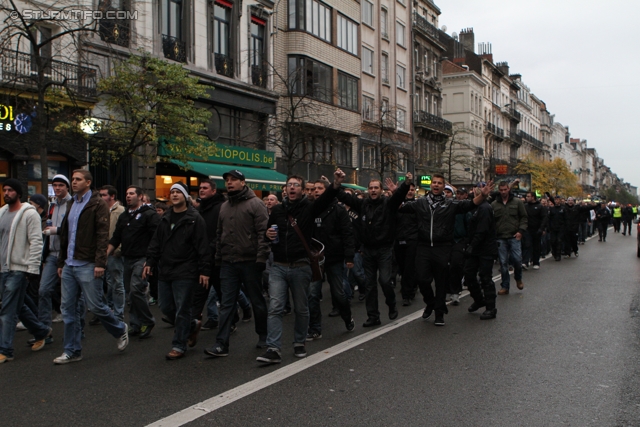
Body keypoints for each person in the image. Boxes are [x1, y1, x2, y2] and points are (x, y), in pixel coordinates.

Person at [257, 171, 341, 364]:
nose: (292, 187)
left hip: (301, 266)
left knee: (301, 308)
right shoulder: (277, 210)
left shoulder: (309, 209)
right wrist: (267, 235)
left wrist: (335, 184)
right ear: (285, 189)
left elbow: (326, 199)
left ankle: (299, 342)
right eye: (289, 185)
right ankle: (273, 348)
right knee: (276, 306)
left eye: (296, 185)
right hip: (278, 265)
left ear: (303, 191)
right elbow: (267, 234)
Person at [54, 170, 129, 364]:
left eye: (78, 179)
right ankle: (72, 350)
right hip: (70, 264)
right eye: (73, 179)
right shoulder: (72, 203)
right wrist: (62, 262)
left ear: (88, 182)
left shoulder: (97, 204)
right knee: (68, 309)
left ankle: (120, 328)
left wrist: (100, 263)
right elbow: (66, 236)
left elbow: (102, 235)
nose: (74, 182)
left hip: (87, 263)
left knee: (96, 305)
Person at [397, 175, 493, 325]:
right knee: (422, 279)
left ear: (443, 187)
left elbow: (470, 205)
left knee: (441, 281)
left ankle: (439, 313)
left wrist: (483, 195)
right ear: (430, 185)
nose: (436, 185)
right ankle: (430, 302)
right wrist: (397, 192)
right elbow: (398, 207)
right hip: (423, 246)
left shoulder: (450, 204)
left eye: (439, 183)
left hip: (442, 247)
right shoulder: (420, 203)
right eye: (434, 183)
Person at [204, 170, 270, 357]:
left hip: (250, 261)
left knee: (257, 300)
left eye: (234, 180)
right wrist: (218, 258)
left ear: (243, 182)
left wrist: (261, 258)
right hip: (228, 262)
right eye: (227, 180)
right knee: (226, 303)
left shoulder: (255, 204)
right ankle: (221, 344)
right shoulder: (224, 206)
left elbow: (263, 233)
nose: (230, 183)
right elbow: (219, 234)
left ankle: (263, 336)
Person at [335, 174, 412, 328]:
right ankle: (373, 316)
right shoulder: (362, 204)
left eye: (376, 187)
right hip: (368, 250)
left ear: (381, 190)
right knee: (370, 285)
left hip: (384, 249)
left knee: (384, 280)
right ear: (368, 190)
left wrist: (406, 184)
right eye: (371, 188)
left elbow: (399, 197)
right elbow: (345, 198)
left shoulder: (388, 204)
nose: (373, 190)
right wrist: (336, 184)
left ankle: (391, 304)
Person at [144, 182, 210, 360]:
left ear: (185, 196)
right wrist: (150, 261)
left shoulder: (195, 219)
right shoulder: (165, 218)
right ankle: (191, 325)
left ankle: (179, 345)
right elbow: (156, 242)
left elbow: (203, 247)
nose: (174, 195)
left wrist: (204, 271)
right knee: (165, 306)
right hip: (165, 269)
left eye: (178, 192)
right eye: (172, 192)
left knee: (182, 308)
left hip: (186, 270)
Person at [0, 179, 50, 363]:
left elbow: (36, 242)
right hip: (3, 268)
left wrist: (32, 268)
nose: (6, 193)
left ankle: (5, 350)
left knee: (7, 310)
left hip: (19, 268)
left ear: (18, 193)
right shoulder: (2, 212)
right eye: (4, 190)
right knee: (17, 305)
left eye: (10, 190)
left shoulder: (29, 214)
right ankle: (41, 330)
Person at [108, 186, 160, 339]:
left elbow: (156, 239)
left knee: (136, 288)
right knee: (130, 293)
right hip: (127, 258)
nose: (128, 196)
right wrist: (104, 254)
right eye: (126, 193)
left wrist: (151, 260)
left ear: (140, 196)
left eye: (131, 193)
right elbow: (116, 237)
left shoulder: (149, 215)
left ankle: (148, 321)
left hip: (142, 258)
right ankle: (135, 324)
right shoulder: (124, 216)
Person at [306, 179, 355, 341]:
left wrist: (349, 256)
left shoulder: (339, 210)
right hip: (315, 259)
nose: (316, 191)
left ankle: (347, 318)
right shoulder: (310, 209)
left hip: (334, 257)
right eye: (314, 189)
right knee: (313, 294)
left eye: (320, 188)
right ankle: (315, 328)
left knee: (338, 294)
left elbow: (347, 233)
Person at [192, 180, 227, 332]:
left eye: (205, 188)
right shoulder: (198, 209)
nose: (201, 190)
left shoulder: (221, 208)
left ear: (213, 191)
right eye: (200, 188)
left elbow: (221, 233)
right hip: (202, 260)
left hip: (217, 259)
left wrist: (211, 248)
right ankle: (192, 324)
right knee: (199, 294)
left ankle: (231, 320)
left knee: (221, 293)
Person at [38, 175, 72, 329]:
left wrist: (57, 230)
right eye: (55, 185)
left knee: (71, 294)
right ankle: (45, 328)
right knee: (43, 290)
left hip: (68, 254)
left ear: (67, 187)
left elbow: (75, 229)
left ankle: (76, 326)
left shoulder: (73, 204)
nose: (57, 188)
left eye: (60, 185)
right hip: (52, 254)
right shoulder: (52, 205)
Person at [464, 186, 499, 320]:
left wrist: (472, 245)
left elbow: (482, 230)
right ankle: (479, 299)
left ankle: (491, 308)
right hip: (476, 248)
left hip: (485, 248)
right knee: (469, 275)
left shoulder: (484, 208)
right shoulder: (476, 208)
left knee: (485, 277)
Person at [492, 181, 527, 295]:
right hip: (501, 236)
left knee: (517, 259)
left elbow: (523, 217)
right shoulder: (494, 204)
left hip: (514, 235)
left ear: (509, 189)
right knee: (503, 262)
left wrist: (521, 231)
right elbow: (491, 221)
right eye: (501, 190)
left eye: (505, 189)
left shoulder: (517, 202)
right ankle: (505, 286)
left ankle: (518, 278)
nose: (503, 192)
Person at [97, 185, 125, 323]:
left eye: (103, 195)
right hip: (102, 252)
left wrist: (118, 250)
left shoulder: (120, 211)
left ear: (112, 196)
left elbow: (122, 233)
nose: (101, 197)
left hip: (114, 253)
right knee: (105, 282)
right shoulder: (100, 210)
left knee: (117, 283)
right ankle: (107, 310)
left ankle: (119, 313)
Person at [395, 183, 418, 306]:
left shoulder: (417, 205)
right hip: (399, 239)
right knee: (402, 267)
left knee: (410, 267)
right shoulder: (397, 204)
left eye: (412, 190)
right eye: (408, 189)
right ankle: (410, 285)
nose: (410, 192)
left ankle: (407, 294)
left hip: (412, 239)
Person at [523, 191, 548, 270]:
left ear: (533, 197)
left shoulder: (540, 207)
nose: (527, 198)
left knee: (536, 246)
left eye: (528, 196)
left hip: (537, 229)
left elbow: (544, 218)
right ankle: (525, 262)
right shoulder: (525, 206)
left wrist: (542, 228)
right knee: (527, 244)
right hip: (527, 229)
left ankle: (536, 262)